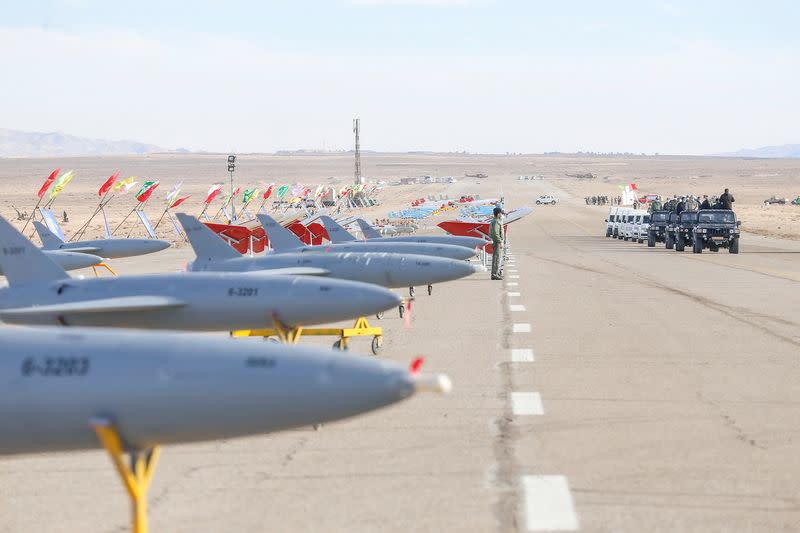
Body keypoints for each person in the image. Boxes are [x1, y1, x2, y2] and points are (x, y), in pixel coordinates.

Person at [490, 207, 505, 280]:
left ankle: (496, 273)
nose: (501, 214)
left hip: (497, 242)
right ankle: (494, 274)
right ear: (498, 214)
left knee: (498, 258)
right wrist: (500, 241)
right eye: (501, 213)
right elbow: (495, 233)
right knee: (496, 258)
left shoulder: (497, 220)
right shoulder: (496, 221)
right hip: (497, 242)